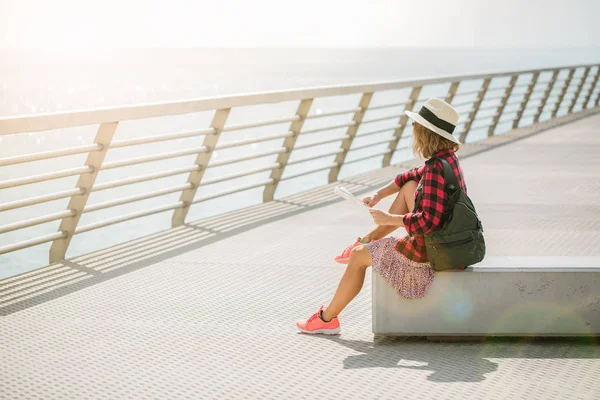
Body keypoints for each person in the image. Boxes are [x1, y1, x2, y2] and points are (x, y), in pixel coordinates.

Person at [296, 98, 467, 335]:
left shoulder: (436, 170)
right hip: (446, 243)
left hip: (434, 253)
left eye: (415, 127)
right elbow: (409, 176)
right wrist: (379, 194)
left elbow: (428, 222)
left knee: (358, 258)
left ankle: (326, 319)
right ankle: (366, 241)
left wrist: (390, 219)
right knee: (409, 186)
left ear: (425, 133)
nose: (413, 132)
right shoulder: (445, 160)